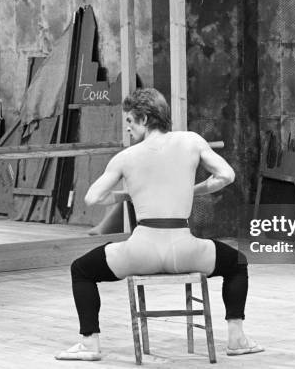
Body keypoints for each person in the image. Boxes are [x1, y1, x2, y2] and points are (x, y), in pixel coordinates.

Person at [56, 88, 264, 361]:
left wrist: (130, 193)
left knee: (81, 269)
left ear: (144, 118)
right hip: (185, 249)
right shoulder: (191, 141)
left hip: (140, 252)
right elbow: (226, 175)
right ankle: (237, 339)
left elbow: (93, 197)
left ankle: (89, 344)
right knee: (238, 263)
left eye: (130, 121)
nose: (128, 128)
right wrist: (193, 189)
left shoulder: (126, 157)